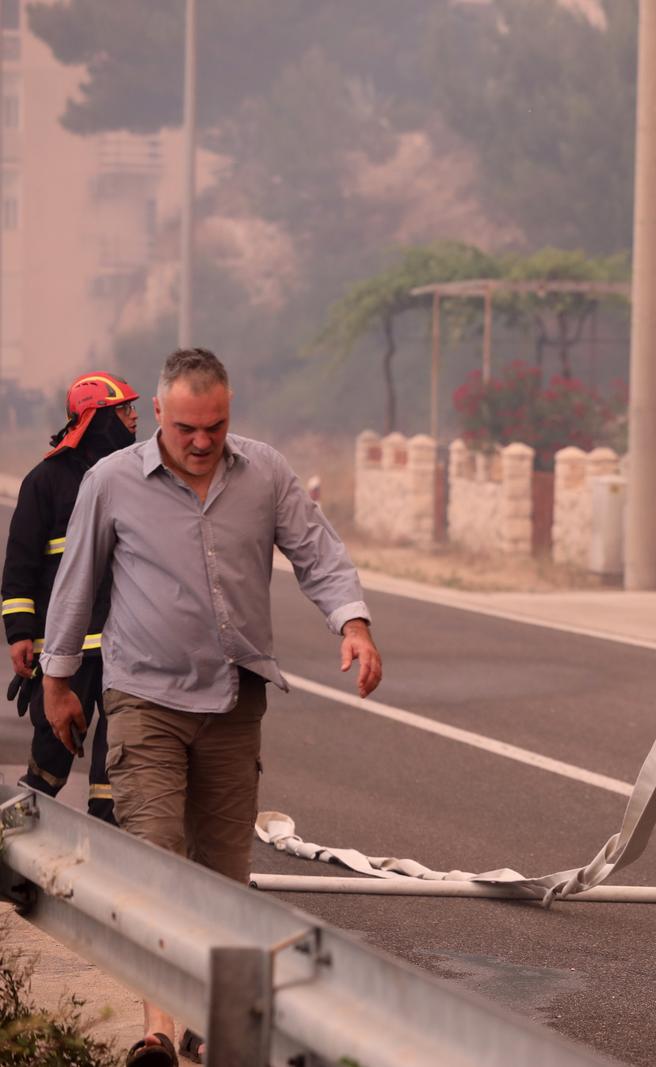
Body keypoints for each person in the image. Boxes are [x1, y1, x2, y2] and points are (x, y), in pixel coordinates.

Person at [40, 348, 383, 1067]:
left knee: (223, 877)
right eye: (187, 427)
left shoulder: (265, 474)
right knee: (155, 860)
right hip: (144, 697)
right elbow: (76, 581)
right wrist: (58, 681)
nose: (202, 441)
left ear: (230, 415)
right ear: (158, 414)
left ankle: (205, 1018)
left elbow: (318, 553)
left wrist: (352, 624)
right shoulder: (112, 481)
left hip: (233, 698)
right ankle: (159, 1032)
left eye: (216, 426)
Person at [3, 373, 140, 823]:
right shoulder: (45, 481)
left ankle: (105, 843)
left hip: (125, 650)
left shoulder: (137, 476)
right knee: (50, 760)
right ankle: (15, 841)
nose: (135, 417)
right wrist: (20, 634)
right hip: (66, 652)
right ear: (96, 418)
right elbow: (20, 567)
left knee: (118, 764)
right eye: (124, 410)